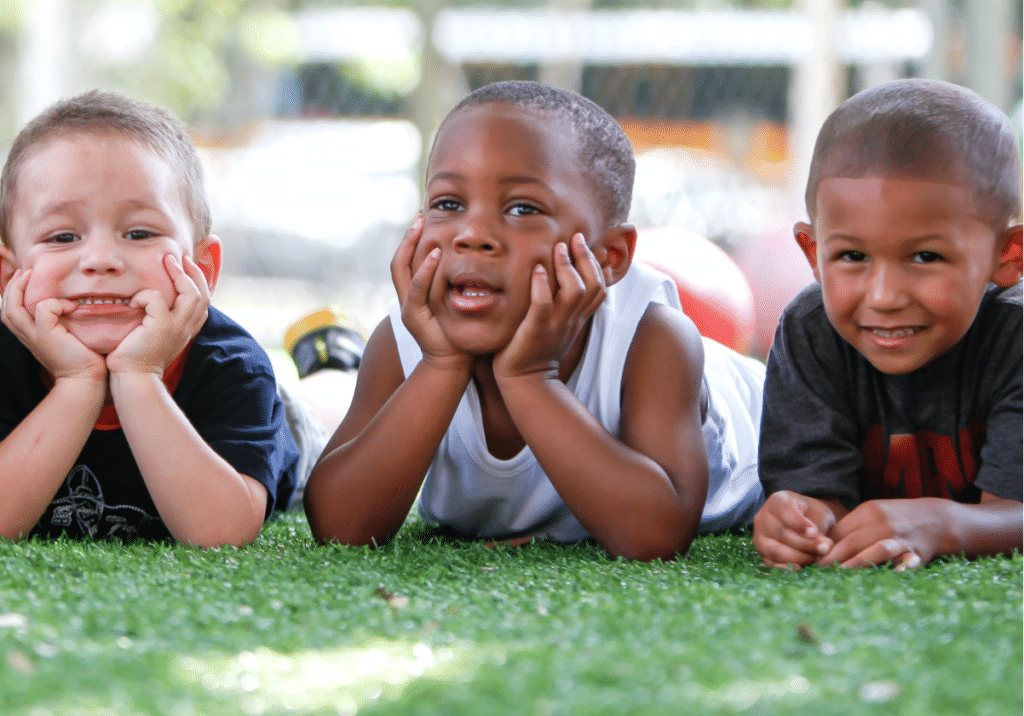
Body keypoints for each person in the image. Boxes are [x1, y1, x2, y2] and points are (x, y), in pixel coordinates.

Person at [303, 81, 764, 560]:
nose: (473, 234)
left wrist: (529, 379)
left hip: (768, 421)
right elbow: (341, 527)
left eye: (523, 208)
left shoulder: (651, 339)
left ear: (609, 257)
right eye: (448, 204)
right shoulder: (406, 341)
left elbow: (655, 535)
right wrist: (441, 364)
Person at [0, 90, 299, 545]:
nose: (100, 259)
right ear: (8, 276)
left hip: (288, 430)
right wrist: (79, 382)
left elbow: (222, 533)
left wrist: (140, 375)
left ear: (202, 269)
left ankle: (330, 354)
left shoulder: (233, 366)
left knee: (313, 417)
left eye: (139, 232)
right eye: (62, 236)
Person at [753, 79, 1023, 570]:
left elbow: (1015, 515)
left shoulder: (1016, 334)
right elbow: (822, 503)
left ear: (1008, 255)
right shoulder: (812, 331)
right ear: (813, 254)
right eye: (852, 256)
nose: (883, 297)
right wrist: (800, 522)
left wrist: (944, 526)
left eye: (925, 256)